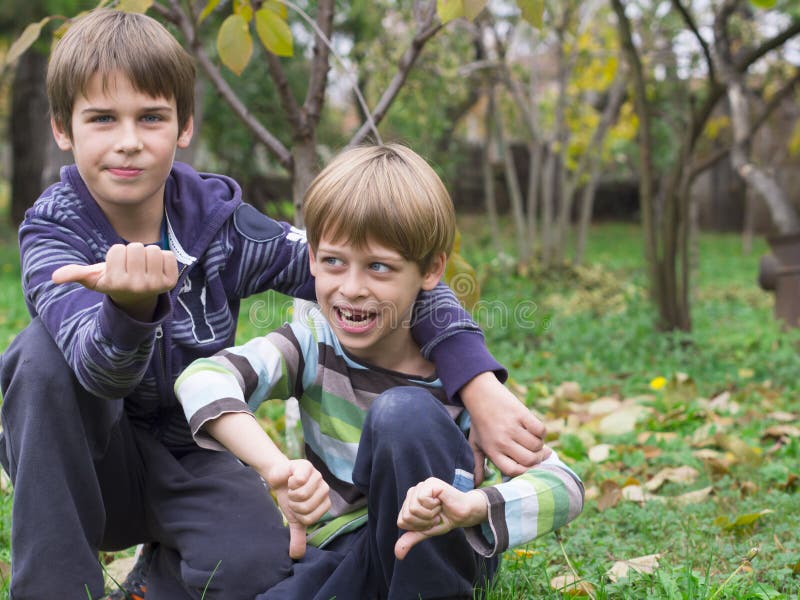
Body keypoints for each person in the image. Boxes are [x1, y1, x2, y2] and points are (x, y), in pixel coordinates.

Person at [0, 9, 550, 600]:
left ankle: (154, 579)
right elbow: (95, 372)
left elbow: (373, 277)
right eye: (102, 118)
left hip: (193, 451)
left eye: (151, 117)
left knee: (255, 573)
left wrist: (478, 383)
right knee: (39, 356)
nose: (129, 140)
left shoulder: (220, 225)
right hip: (88, 468)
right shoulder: (53, 234)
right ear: (64, 128)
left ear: (183, 126)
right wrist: (130, 309)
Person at [175, 144, 585, 599]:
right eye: (333, 261)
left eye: (378, 267)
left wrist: (473, 506)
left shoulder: (459, 381)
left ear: (430, 270)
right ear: (310, 259)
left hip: (440, 555)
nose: (352, 289)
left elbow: (566, 485)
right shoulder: (311, 344)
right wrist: (274, 467)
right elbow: (202, 378)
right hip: (347, 552)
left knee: (402, 413)